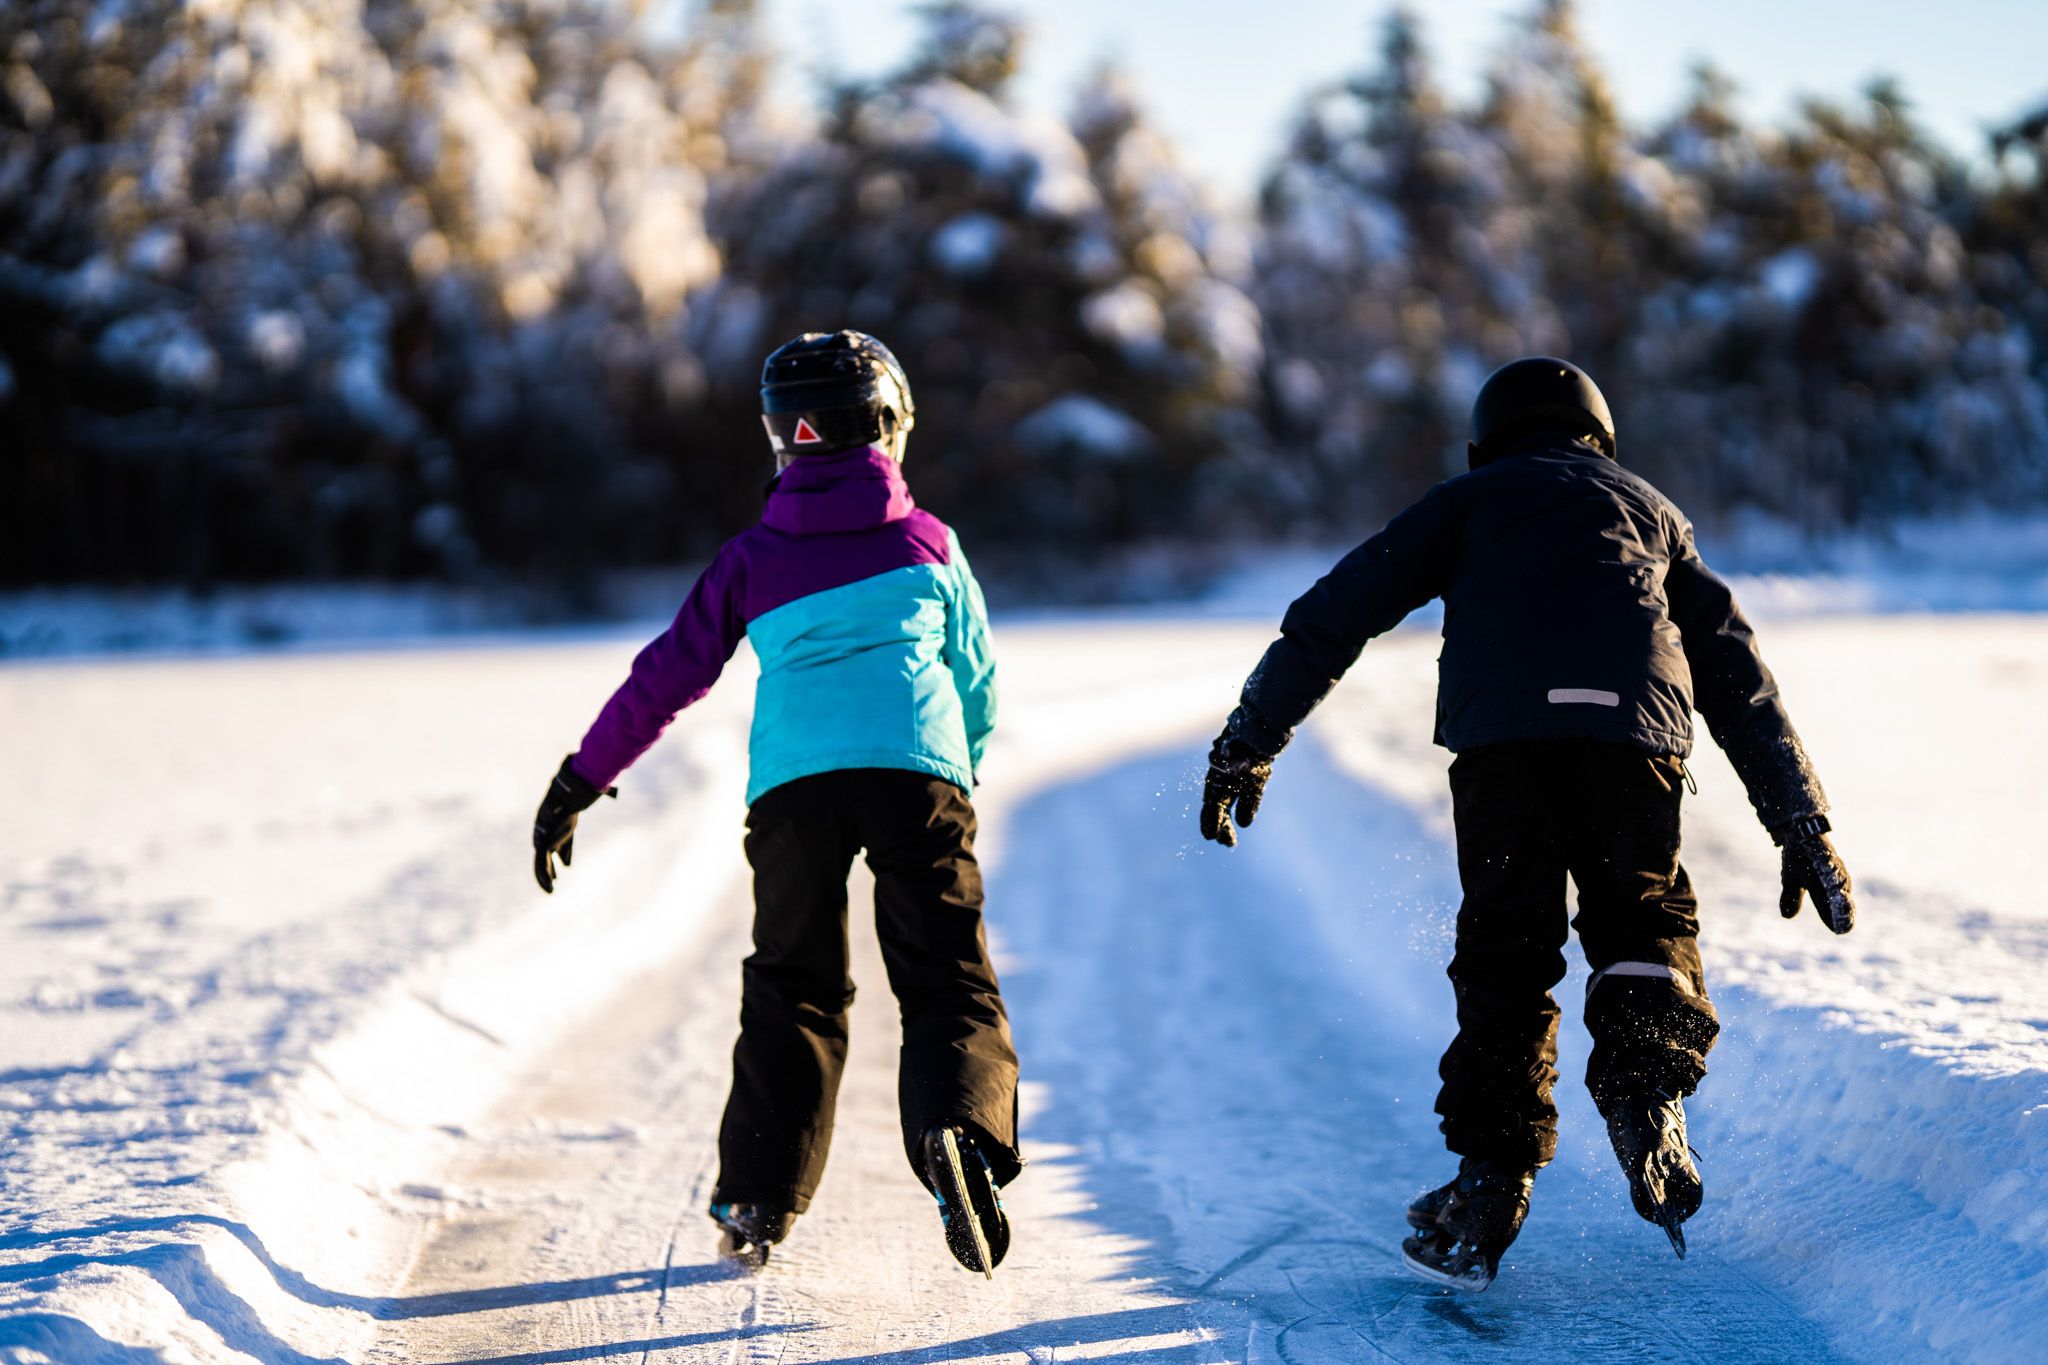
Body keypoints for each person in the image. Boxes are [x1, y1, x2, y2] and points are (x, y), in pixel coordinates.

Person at [1197, 357, 1855, 1290]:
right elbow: (1739, 677)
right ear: (1601, 434)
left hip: (1505, 744)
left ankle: (1494, 1175)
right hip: (1635, 742)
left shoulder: (1466, 501)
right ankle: (1647, 1092)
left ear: (1487, 437)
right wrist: (1801, 818)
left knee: (1510, 940)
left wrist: (1250, 737)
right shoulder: (1652, 511)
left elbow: (1335, 613)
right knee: (1639, 911)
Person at [530, 331, 1019, 1275]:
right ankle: (959, 1129)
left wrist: (579, 779)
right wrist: (959, 774)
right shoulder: (930, 544)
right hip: (917, 776)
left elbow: (664, 676)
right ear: (887, 425)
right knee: (946, 976)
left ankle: (757, 1196)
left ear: (783, 439)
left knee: (794, 983)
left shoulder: (751, 558)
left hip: (793, 792)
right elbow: (979, 683)